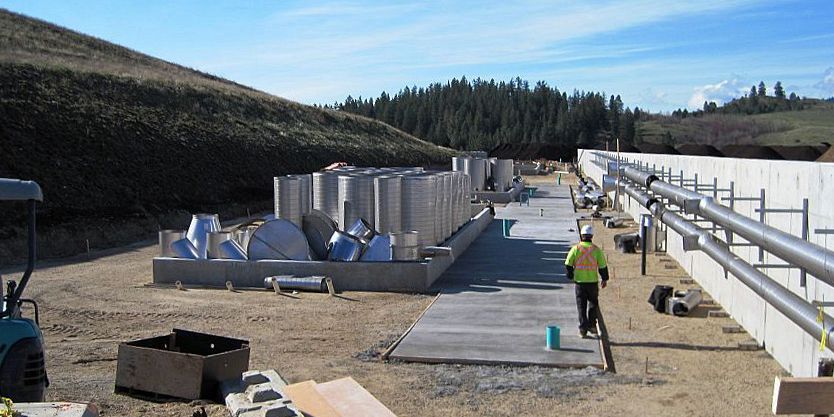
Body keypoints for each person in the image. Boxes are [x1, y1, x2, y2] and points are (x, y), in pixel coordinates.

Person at [564, 224, 609, 338]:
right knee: (593, 304)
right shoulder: (596, 250)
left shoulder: (576, 249)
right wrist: (604, 279)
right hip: (592, 282)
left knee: (581, 306)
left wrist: (570, 274)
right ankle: (592, 325)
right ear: (592, 236)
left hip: (580, 283)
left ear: (581, 235)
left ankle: (583, 330)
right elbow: (603, 266)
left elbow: (568, 263)